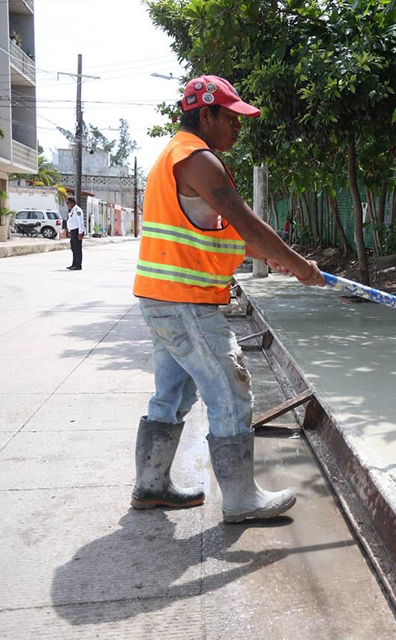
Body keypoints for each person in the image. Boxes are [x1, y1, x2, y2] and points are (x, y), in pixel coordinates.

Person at [131, 75, 325, 524]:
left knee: (172, 396)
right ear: (206, 115)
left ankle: (151, 485)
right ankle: (241, 499)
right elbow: (248, 223)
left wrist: (273, 259)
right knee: (232, 392)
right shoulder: (199, 160)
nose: (238, 127)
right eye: (231, 118)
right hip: (186, 303)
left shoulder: (175, 155)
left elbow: (223, 235)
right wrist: (299, 267)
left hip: (163, 299)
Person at [65, 196, 84, 270]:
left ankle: (78, 265)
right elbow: (70, 221)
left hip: (77, 231)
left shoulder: (77, 210)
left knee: (77, 248)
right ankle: (74, 264)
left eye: (68, 203)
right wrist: (69, 230)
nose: (67, 205)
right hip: (73, 231)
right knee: (73, 248)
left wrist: (80, 232)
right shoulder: (72, 211)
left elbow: (80, 222)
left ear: (72, 203)